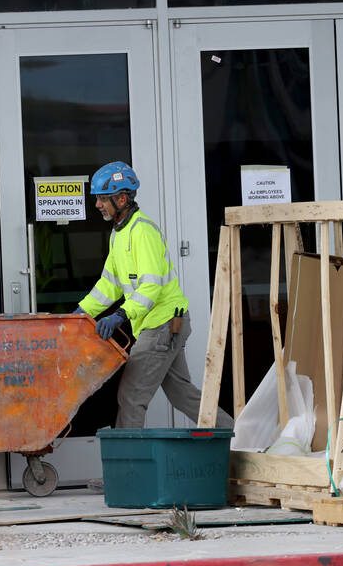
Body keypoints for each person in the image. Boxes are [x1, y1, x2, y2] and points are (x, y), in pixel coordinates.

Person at [75, 162, 233, 430]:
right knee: (182, 394)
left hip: (161, 325)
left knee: (132, 396)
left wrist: (120, 315)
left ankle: (129, 467)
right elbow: (109, 285)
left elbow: (151, 286)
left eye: (103, 198)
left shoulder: (142, 231)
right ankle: (239, 436)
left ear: (121, 198)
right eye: (97, 199)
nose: (98, 205)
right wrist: (81, 313)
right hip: (165, 324)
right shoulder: (119, 233)